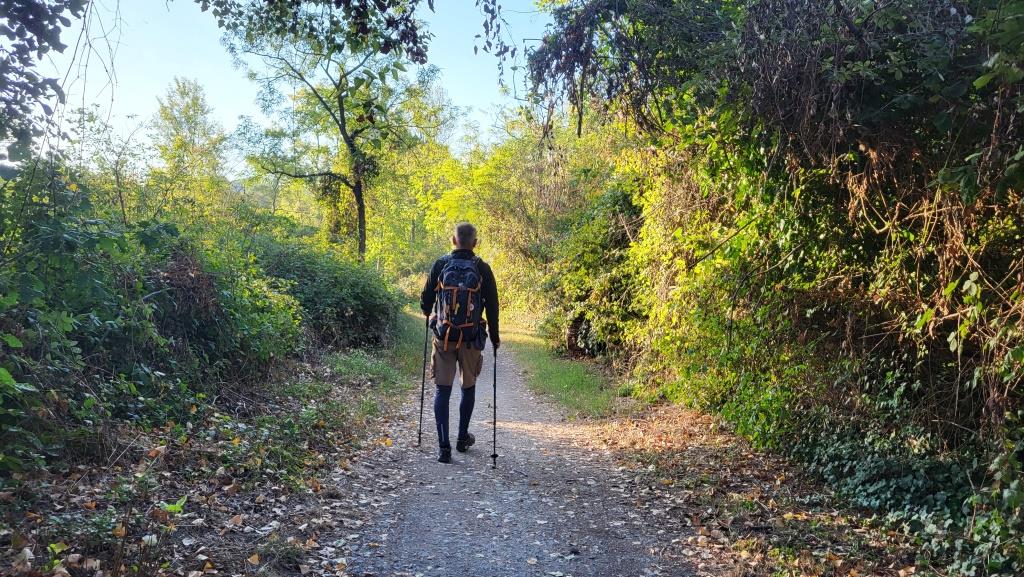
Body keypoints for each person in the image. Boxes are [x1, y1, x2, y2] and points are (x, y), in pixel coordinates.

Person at [420, 222, 500, 463]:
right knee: (468, 386)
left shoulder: (441, 264)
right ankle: (462, 438)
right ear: (475, 243)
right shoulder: (482, 268)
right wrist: (495, 337)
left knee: (442, 390)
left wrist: (430, 314)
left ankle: (443, 448)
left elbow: (425, 300)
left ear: (453, 240)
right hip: (470, 338)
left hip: (444, 337)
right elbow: (493, 306)